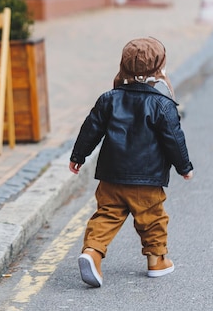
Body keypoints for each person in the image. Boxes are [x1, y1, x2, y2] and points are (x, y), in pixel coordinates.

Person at [69, 37, 194, 288]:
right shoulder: (163, 103)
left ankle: (92, 252)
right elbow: (173, 139)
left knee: (106, 215)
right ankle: (157, 261)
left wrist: (78, 157)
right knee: (152, 218)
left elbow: (90, 130)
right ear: (158, 69)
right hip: (146, 179)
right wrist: (184, 167)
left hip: (111, 176)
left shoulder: (108, 99)